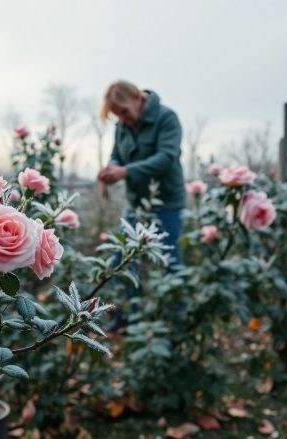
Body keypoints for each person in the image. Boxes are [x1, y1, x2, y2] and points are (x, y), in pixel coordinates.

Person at [97, 80, 185, 330]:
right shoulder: (122, 126)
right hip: (136, 204)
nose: (121, 119)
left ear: (137, 98)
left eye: (123, 112)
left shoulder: (167, 118)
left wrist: (125, 171)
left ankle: (176, 325)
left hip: (167, 202)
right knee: (121, 260)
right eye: (117, 116)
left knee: (170, 263)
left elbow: (166, 158)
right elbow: (117, 154)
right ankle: (128, 318)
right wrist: (112, 166)